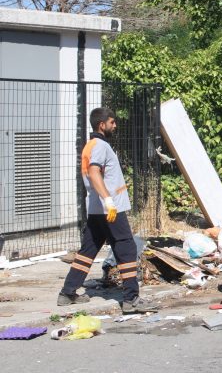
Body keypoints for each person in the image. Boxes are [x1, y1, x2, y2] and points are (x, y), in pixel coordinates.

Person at [58, 107, 158, 314]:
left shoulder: (90, 145)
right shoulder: (100, 146)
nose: (115, 125)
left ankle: (67, 292)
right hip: (110, 209)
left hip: (97, 208)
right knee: (127, 247)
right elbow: (94, 173)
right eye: (112, 122)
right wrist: (109, 200)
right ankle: (131, 299)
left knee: (89, 249)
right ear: (102, 125)